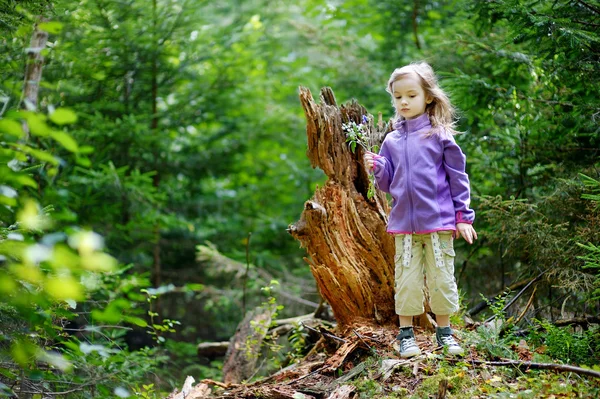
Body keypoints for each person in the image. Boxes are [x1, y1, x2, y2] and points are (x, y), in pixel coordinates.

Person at [364, 61, 477, 358]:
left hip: (438, 223)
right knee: (407, 280)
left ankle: (445, 334)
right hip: (403, 225)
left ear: (427, 96)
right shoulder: (391, 140)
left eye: (411, 95)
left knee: (441, 279)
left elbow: (458, 177)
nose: (404, 101)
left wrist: (463, 217)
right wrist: (379, 168)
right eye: (398, 96)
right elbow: (388, 185)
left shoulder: (439, 136)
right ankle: (406, 336)